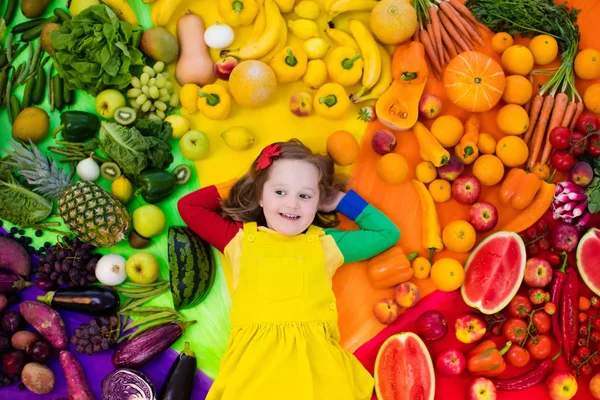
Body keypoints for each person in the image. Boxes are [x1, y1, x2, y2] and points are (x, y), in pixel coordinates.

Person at [178, 139, 400, 400]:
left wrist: (341, 200)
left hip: (316, 368)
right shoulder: (239, 241)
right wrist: (248, 181)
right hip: (253, 371)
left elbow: (387, 233)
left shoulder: (326, 244)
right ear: (260, 196)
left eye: (305, 195)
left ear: (319, 201)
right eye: (280, 192)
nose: (292, 204)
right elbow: (189, 207)